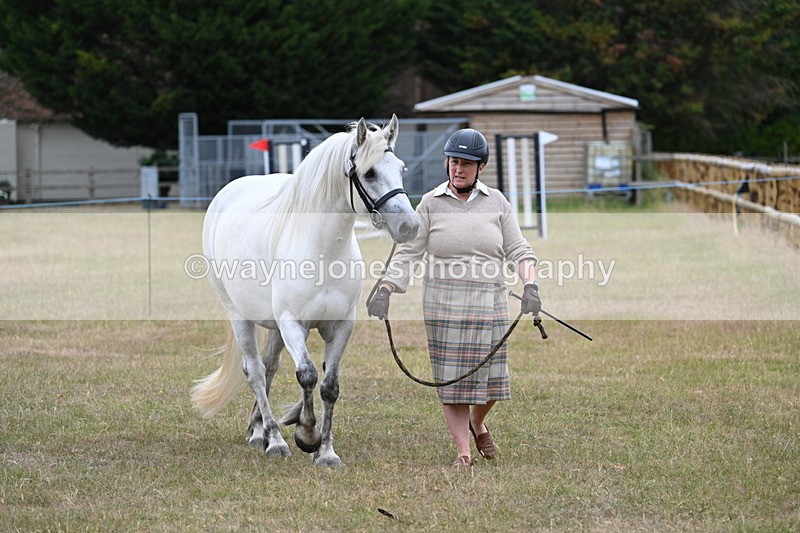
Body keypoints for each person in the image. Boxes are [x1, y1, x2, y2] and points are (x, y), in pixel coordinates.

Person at [367, 128, 542, 467]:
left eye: (467, 164)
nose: (459, 169)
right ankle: (463, 450)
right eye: (454, 162)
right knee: (453, 379)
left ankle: (477, 422)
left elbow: (519, 248)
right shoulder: (431, 203)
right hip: (443, 303)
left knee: (494, 380)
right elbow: (408, 252)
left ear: (481, 167)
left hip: (489, 300)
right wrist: (386, 288)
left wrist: (531, 286)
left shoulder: (497, 202)